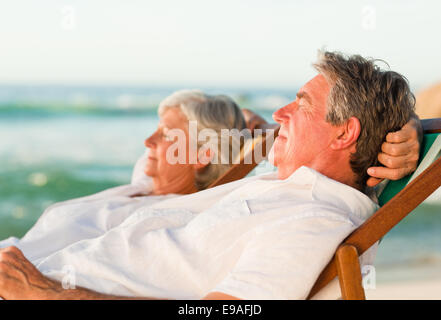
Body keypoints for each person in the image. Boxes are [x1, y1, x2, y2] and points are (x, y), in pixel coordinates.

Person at [0, 51, 422, 300]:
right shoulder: (286, 188)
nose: (280, 114)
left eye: (302, 104)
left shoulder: (313, 221)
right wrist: (411, 129)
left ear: (346, 132)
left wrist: (45, 293)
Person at [0, 89, 248, 264]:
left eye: (166, 134)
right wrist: (246, 131)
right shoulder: (145, 183)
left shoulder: (158, 220)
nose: (148, 141)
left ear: (202, 155)